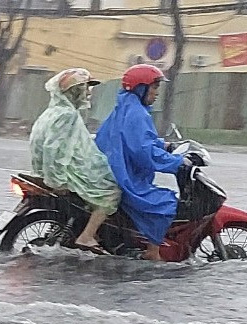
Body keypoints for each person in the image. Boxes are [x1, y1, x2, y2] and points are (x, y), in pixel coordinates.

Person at [95, 64, 187, 261]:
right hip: (126, 177)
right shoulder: (137, 113)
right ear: (141, 88)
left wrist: (165, 145)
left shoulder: (127, 105)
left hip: (119, 170)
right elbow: (143, 152)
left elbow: (143, 141)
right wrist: (176, 163)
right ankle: (152, 252)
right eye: (153, 88)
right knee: (166, 202)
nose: (156, 94)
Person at [27, 68, 120, 253]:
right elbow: (52, 149)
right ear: (74, 91)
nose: (88, 93)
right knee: (113, 191)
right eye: (84, 89)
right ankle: (87, 236)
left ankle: (89, 228)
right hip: (64, 174)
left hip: (44, 171)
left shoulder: (52, 111)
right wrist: (57, 181)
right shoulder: (67, 115)